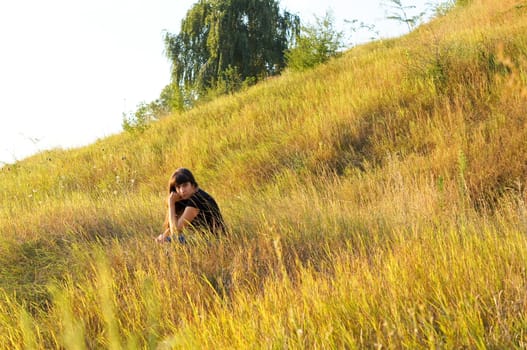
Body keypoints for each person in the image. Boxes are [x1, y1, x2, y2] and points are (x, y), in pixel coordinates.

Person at [156, 168, 226, 243]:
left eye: (185, 185)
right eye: (178, 187)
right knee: (167, 240)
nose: (182, 190)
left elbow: (175, 232)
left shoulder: (197, 199)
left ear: (192, 184)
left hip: (216, 241)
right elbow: (176, 224)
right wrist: (163, 236)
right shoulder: (190, 197)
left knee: (170, 242)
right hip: (207, 239)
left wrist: (171, 205)